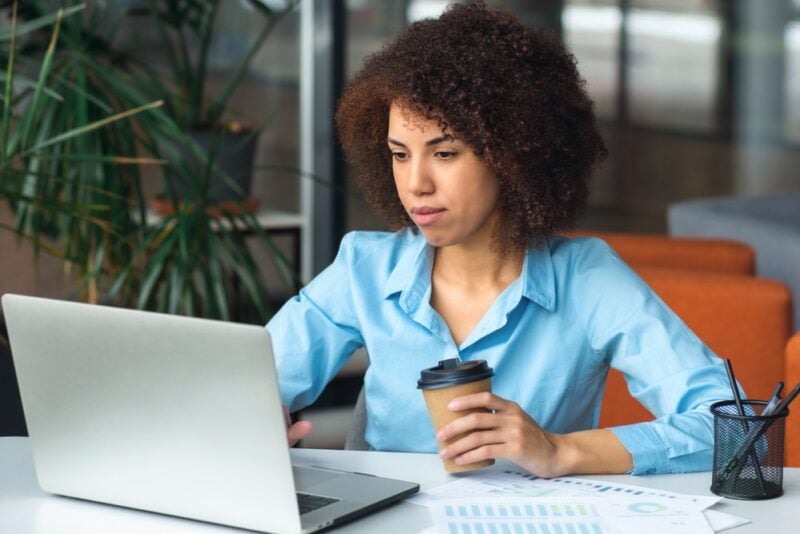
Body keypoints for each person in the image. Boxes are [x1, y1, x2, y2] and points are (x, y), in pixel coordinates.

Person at [267, 2, 732, 477]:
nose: (415, 184)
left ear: (513, 155)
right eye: (399, 154)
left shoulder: (586, 278)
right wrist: (256, 420)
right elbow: (250, 383)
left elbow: (730, 428)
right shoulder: (364, 267)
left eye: (445, 153)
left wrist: (560, 451)